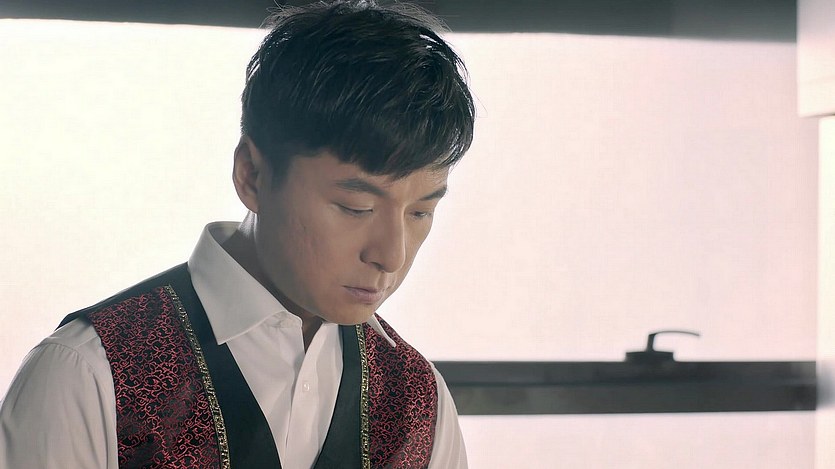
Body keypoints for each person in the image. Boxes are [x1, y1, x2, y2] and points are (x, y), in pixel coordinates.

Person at [0, 1, 475, 467]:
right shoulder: (88, 375)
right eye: (357, 208)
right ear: (252, 174)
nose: (391, 255)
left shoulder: (419, 402)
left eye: (420, 212)